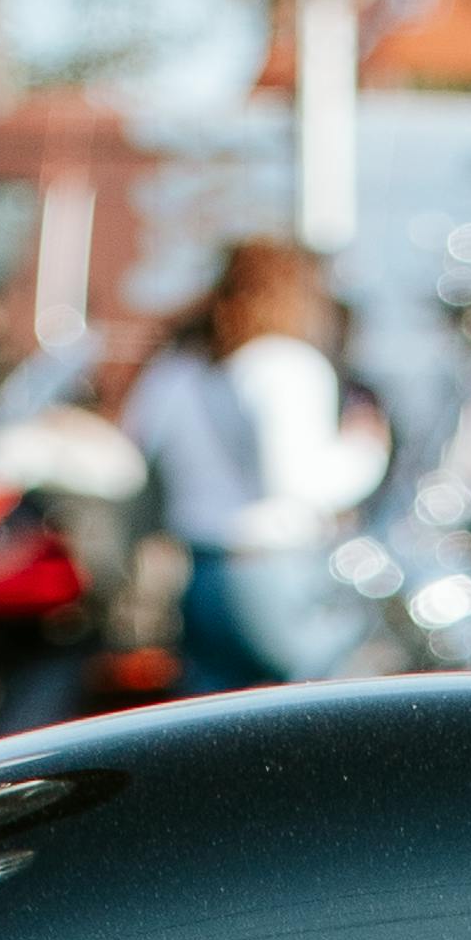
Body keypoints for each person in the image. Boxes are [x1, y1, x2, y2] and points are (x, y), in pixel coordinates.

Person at [122, 240, 387, 693]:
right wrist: (367, 451)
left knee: (213, 735)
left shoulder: (178, 369)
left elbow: (134, 450)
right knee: (324, 714)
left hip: (199, 575)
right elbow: (296, 482)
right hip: (271, 570)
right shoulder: (285, 363)